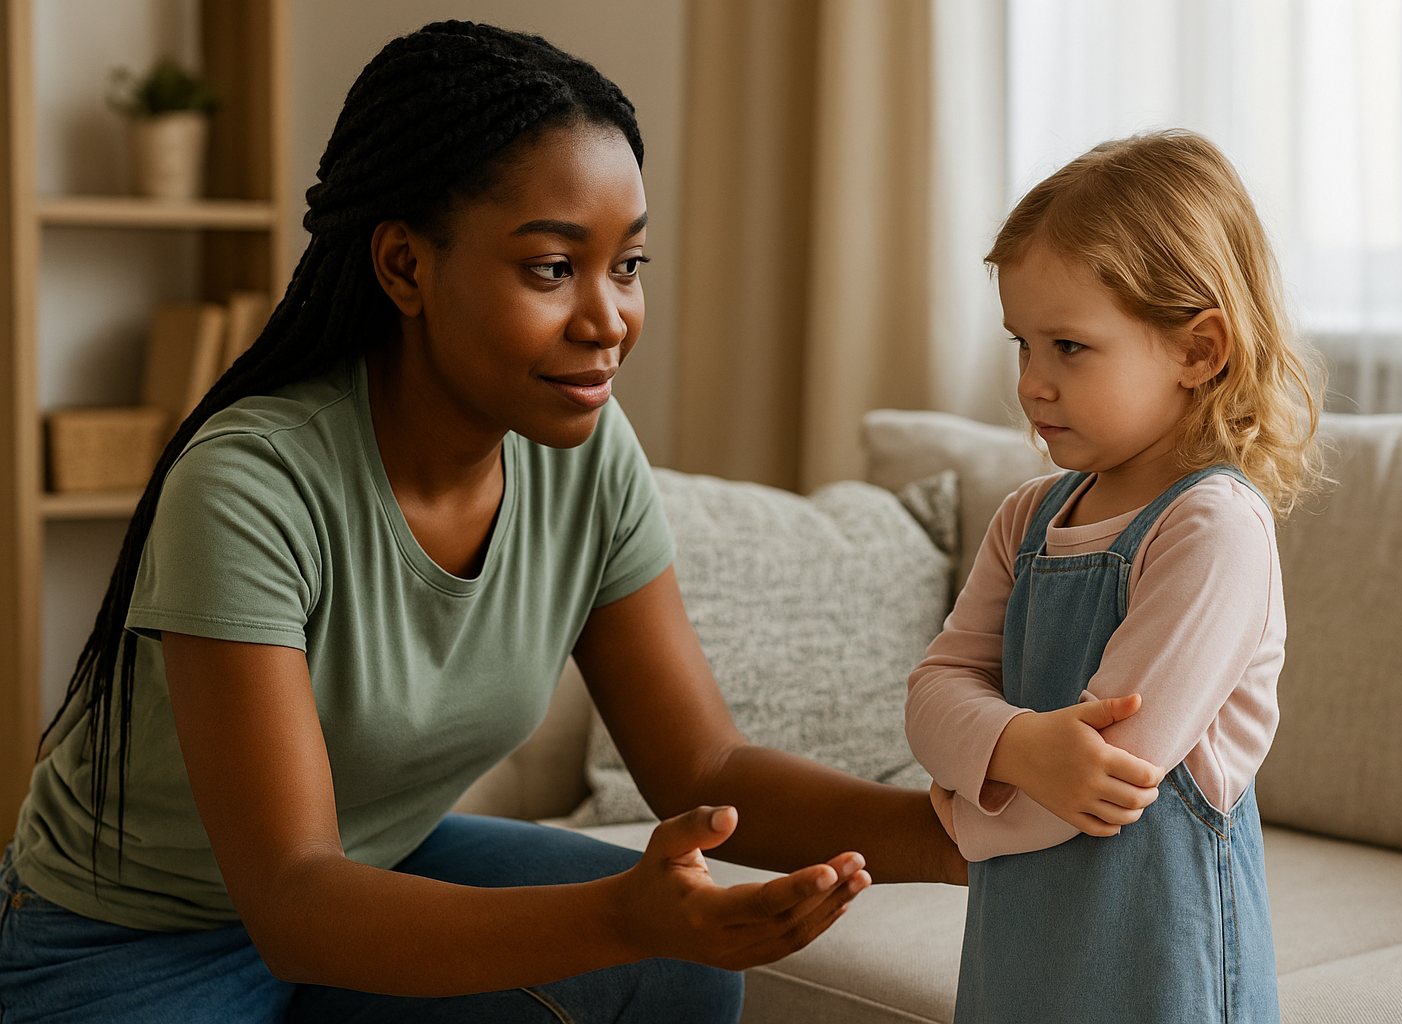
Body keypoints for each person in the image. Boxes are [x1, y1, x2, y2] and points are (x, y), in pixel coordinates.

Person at [0, 22, 991, 1023]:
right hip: (135, 937)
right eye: (554, 267)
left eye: (629, 263)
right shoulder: (251, 485)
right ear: (404, 267)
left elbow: (702, 766)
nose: (609, 317)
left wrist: (951, 832)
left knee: (680, 971)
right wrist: (622, 914)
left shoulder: (588, 455)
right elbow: (295, 898)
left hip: (378, 865)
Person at [905, 130, 1323, 1024]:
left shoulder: (1212, 527)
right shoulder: (1028, 517)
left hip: (1161, 962)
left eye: (1069, 347)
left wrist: (958, 812)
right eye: (1023, 345)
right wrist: (1017, 750)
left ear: (1199, 350)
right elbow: (932, 693)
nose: (1031, 385)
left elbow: (1112, 777)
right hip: (1021, 942)